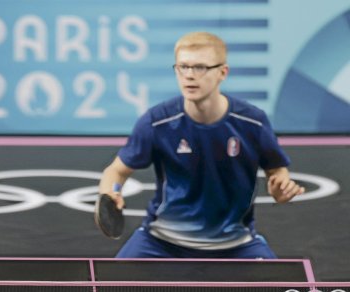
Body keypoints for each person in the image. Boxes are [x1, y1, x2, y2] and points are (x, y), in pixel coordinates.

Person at [98, 31, 304, 259]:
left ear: (222, 73)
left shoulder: (252, 122)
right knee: (109, 290)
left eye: (200, 68)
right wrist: (111, 192)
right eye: (182, 67)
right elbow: (116, 171)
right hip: (162, 241)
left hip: (235, 243)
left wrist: (281, 187)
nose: (189, 76)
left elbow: (276, 168)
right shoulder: (157, 122)